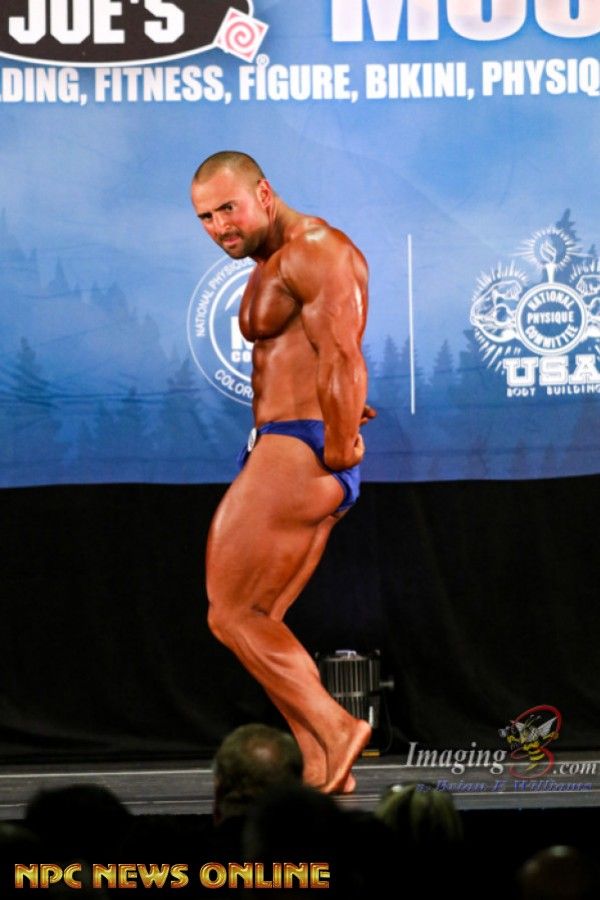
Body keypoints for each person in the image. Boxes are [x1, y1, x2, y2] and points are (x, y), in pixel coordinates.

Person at [191, 150, 374, 794]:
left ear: (264, 194)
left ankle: (336, 727)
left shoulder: (315, 249)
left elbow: (342, 352)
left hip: (299, 450)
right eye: (206, 217)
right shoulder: (274, 260)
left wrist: (341, 441)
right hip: (292, 442)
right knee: (259, 616)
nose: (219, 226)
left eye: (228, 208)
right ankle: (323, 762)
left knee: (231, 613)